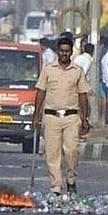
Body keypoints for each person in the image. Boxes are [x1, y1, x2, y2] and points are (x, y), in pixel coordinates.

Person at [32, 36, 91, 196]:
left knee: (72, 150)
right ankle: (56, 185)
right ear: (58, 51)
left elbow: (83, 95)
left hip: (71, 116)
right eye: (62, 51)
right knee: (52, 152)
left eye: (67, 51)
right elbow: (41, 92)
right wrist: (36, 115)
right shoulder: (48, 69)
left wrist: (85, 118)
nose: (64, 54)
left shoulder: (77, 71)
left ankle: (71, 179)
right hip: (51, 116)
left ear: (71, 52)